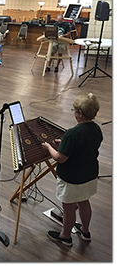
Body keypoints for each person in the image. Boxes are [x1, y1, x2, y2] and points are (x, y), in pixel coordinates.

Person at [42, 93, 103, 247]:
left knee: (68, 208)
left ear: (80, 114)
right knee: (84, 202)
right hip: (89, 174)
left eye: (75, 110)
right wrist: (65, 143)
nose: (74, 113)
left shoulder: (72, 133)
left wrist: (49, 147)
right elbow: (85, 145)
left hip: (72, 178)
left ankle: (65, 236)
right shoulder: (96, 129)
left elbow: (60, 158)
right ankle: (85, 231)